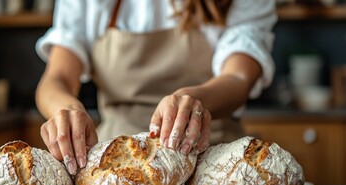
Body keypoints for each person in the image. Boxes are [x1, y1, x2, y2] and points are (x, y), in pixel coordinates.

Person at [35, 0, 277, 175]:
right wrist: (66, 110)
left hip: (216, 165)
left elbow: (238, 77)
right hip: (115, 170)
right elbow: (57, 78)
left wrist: (192, 98)